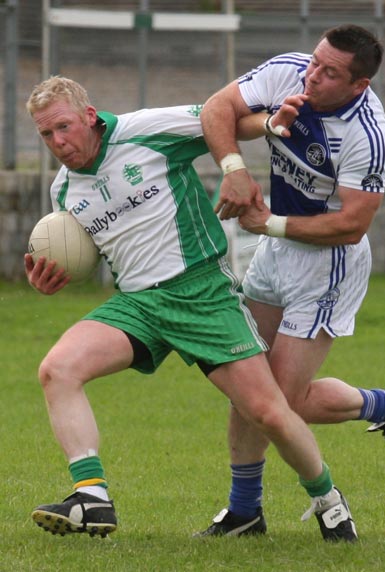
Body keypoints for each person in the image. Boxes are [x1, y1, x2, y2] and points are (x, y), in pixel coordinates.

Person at [24, 76, 357, 542]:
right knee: (57, 369)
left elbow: (218, 119)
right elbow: (86, 255)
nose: (58, 142)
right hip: (138, 304)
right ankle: (92, 496)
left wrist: (269, 124)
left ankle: (327, 500)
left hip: (201, 293)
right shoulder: (64, 194)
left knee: (269, 413)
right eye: (46, 134)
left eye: (63, 127)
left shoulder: (145, 131)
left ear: (89, 116)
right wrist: (51, 278)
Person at [196, 24, 385, 537]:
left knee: (280, 400)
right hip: (276, 252)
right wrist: (234, 166)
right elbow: (216, 108)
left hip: (326, 266)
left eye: (330, 73)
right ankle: (245, 512)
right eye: (316, 62)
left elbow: (352, 225)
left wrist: (268, 223)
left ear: (358, 84)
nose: (313, 76)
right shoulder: (289, 71)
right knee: (248, 385)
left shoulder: (367, 134)